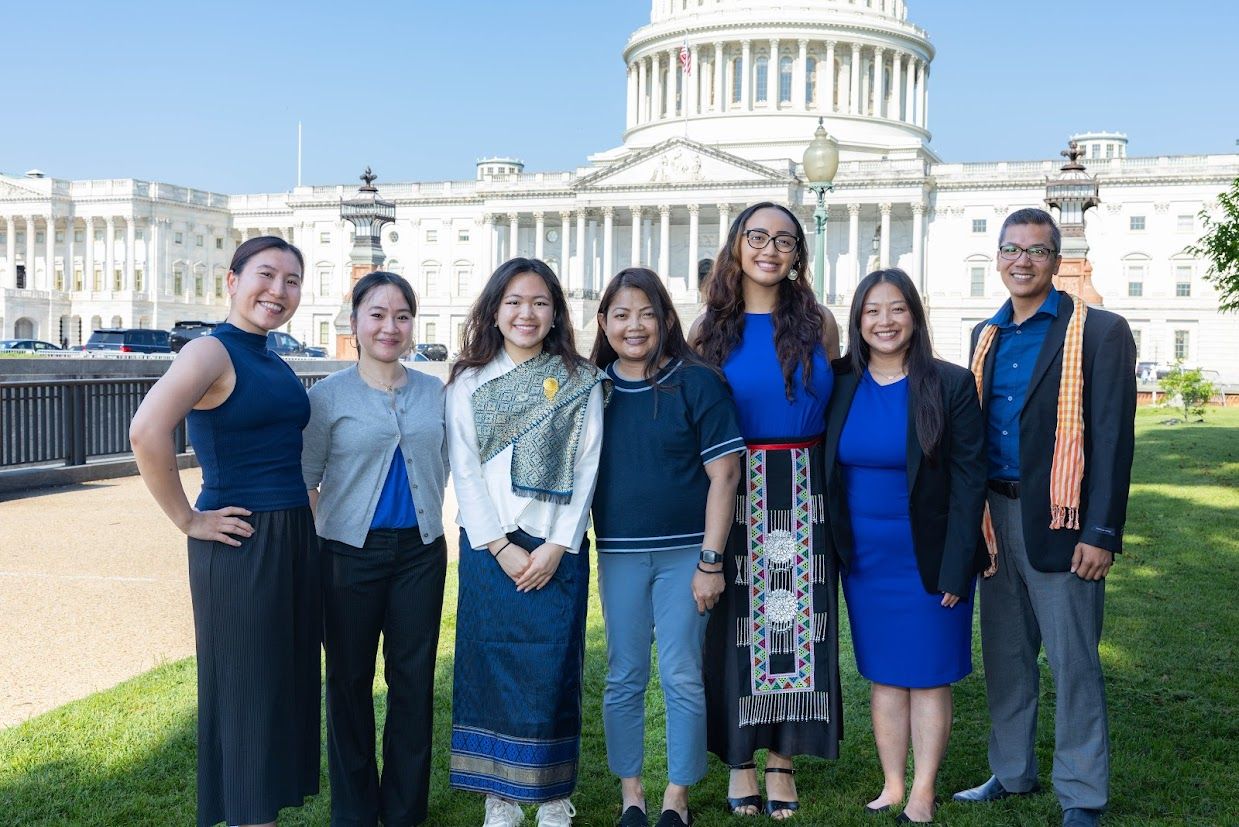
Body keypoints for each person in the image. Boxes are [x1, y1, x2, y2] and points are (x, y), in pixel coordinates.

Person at [952, 208, 1136, 827]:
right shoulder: (985, 334)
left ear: (1056, 262)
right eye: (1011, 249)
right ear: (997, 258)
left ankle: (1082, 792)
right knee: (1005, 655)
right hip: (994, 518)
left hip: (1062, 517)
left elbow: (1111, 438)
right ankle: (1011, 771)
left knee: (1073, 660)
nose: (1021, 261)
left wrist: (1101, 531)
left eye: (1035, 251)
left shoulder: (1100, 331)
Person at [129, 236, 320, 827]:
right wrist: (188, 518)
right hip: (242, 542)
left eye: (292, 281)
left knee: (279, 692)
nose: (279, 290)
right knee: (248, 696)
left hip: (287, 539)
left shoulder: (269, 355)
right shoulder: (210, 352)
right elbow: (146, 431)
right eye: (266, 275)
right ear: (232, 281)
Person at [692, 202, 842, 820]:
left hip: (807, 489)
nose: (770, 250)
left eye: (784, 240)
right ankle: (742, 761)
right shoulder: (709, 330)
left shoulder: (820, 323)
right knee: (737, 627)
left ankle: (783, 760)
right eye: (757, 237)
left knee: (803, 626)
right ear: (736, 246)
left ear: (798, 254)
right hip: (739, 489)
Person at [445, 257, 608, 827]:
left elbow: (588, 465)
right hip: (491, 550)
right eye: (514, 301)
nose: (526, 313)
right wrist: (498, 544)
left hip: (555, 550)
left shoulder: (580, 379)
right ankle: (502, 795)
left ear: (555, 312)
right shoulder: (468, 381)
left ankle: (553, 793)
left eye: (539, 302)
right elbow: (464, 470)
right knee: (490, 664)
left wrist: (558, 545)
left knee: (553, 669)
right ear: (494, 310)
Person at [822, 268, 987, 823]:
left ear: (914, 316)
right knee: (886, 673)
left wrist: (957, 565)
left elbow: (969, 483)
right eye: (872, 311)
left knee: (929, 674)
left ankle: (924, 788)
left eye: (896, 309)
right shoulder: (839, 381)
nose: (885, 321)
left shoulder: (949, 384)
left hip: (930, 555)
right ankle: (893, 783)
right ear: (858, 320)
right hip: (864, 559)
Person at [590, 268, 745, 827]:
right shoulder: (592, 389)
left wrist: (711, 561)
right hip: (620, 553)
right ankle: (631, 794)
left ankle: (675, 799)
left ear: (666, 320)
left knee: (681, 673)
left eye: (646, 313)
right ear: (603, 321)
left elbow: (725, 476)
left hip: (687, 555)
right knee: (623, 674)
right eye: (621, 314)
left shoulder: (696, 382)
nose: (634, 326)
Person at [301, 271, 449, 827]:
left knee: (413, 682)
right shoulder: (328, 396)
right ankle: (356, 811)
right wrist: (335, 536)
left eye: (402, 316)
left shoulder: (435, 392)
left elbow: (446, 465)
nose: (391, 326)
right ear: (355, 322)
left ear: (413, 325)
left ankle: (405, 810)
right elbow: (306, 478)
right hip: (346, 557)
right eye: (378, 314)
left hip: (419, 554)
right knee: (348, 682)